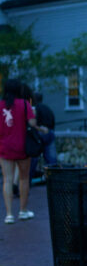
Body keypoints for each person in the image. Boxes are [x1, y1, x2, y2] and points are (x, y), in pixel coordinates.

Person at [0, 79, 38, 223]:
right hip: (22, 147)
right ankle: (23, 210)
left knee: (7, 180)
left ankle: (9, 214)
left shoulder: (0, 105)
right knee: (23, 179)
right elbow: (32, 123)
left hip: (4, 147)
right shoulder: (24, 104)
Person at [30, 92, 57, 180]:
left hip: (40, 133)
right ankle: (53, 178)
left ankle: (30, 177)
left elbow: (33, 123)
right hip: (50, 133)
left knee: (34, 157)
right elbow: (53, 122)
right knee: (51, 159)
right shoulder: (48, 109)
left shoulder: (35, 109)